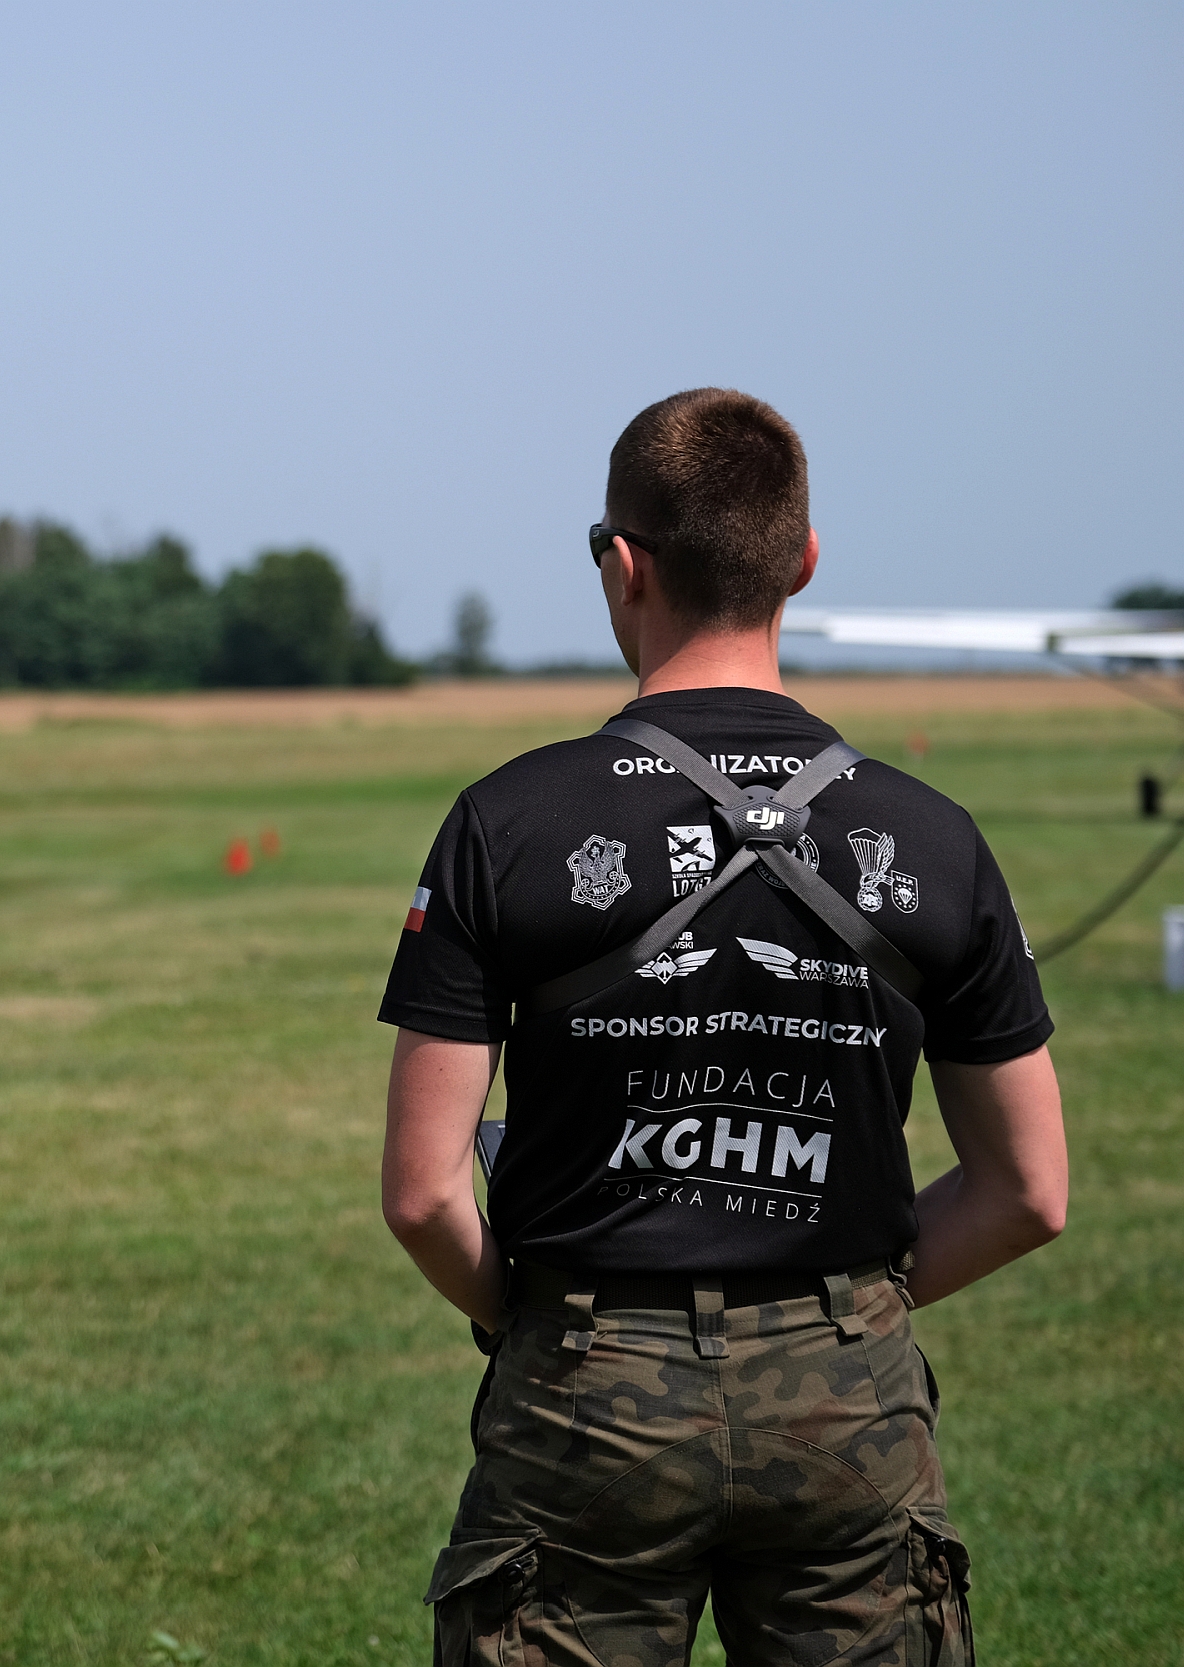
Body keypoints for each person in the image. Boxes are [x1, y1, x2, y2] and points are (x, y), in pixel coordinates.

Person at [377, 388, 1065, 1665]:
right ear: (802, 562)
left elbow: (424, 1195)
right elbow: (1029, 1190)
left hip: (584, 1381)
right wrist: (846, 1312)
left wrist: (534, 1319)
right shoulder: (933, 836)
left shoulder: (505, 819)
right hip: (849, 1390)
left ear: (622, 564)